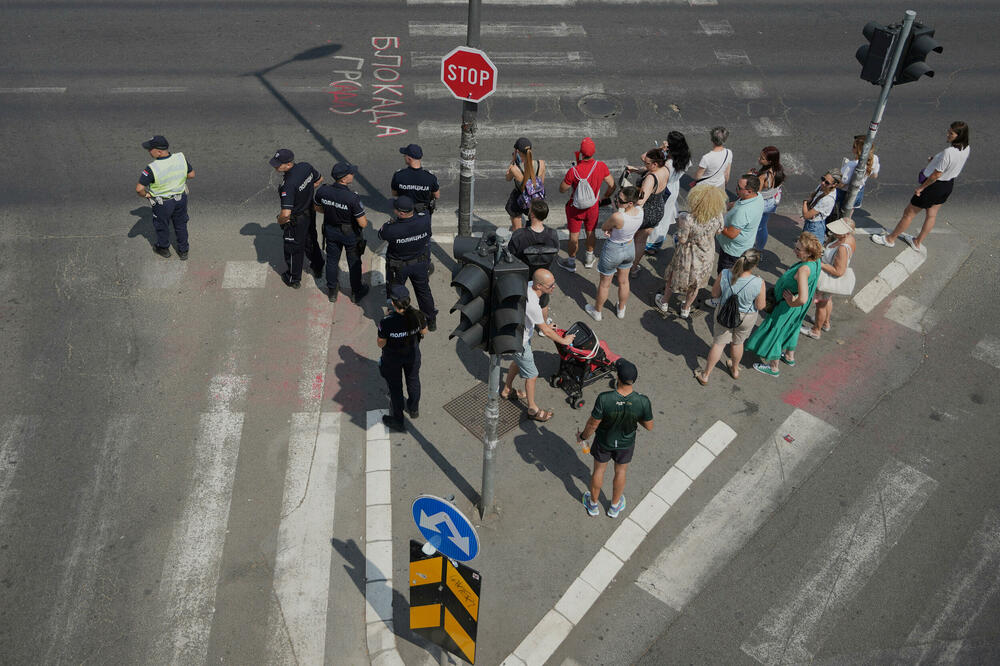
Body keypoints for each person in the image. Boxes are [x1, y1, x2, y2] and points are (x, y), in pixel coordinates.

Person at [872, 121, 971, 252]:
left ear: (959, 135)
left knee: (908, 214)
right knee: (932, 215)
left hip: (933, 186)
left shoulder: (949, 152)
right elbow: (950, 163)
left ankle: (890, 239)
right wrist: (935, 159)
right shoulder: (966, 148)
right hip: (947, 185)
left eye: (951, 133)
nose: (947, 134)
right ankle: (917, 242)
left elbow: (936, 175)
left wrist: (921, 188)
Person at [577, 359, 653, 518]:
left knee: (599, 470)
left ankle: (593, 505)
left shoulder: (605, 398)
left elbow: (592, 424)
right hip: (626, 444)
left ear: (618, 377)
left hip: (604, 441)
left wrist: (582, 437)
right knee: (620, 472)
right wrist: (633, 414)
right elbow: (649, 426)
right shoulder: (642, 401)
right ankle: (614, 507)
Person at [501, 269, 576, 422]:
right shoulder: (532, 304)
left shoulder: (529, 285)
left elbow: (541, 323)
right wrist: (564, 340)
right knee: (532, 374)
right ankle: (532, 408)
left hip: (515, 334)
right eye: (550, 286)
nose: (554, 287)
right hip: (519, 341)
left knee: (517, 362)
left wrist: (546, 323)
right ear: (539, 286)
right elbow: (546, 332)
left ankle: (507, 390)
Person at [745, 232, 824, 377]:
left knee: (776, 330)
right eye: (796, 247)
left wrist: (791, 301)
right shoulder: (816, 261)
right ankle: (789, 356)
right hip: (797, 310)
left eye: (799, 250)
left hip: (787, 307)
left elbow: (803, 298)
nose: (795, 250)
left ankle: (773, 367)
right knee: (793, 327)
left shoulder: (803, 270)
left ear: (808, 253)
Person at [694, 249, 766, 385]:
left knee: (719, 344)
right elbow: (761, 306)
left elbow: (715, 294)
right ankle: (734, 369)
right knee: (738, 343)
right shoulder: (759, 282)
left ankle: (705, 375)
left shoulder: (725, 273)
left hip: (724, 313)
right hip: (746, 317)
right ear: (754, 266)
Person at [655, 183, 727, 318]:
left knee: (673, 276)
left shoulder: (687, 218)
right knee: (696, 283)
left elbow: (682, 239)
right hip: (706, 254)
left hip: (687, 255)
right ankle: (686, 308)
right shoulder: (718, 215)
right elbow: (719, 231)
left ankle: (664, 301)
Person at [378, 195, 437, 330]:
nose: (393, 211)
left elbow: (380, 235)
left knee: (396, 295)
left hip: (399, 268)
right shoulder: (425, 219)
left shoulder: (391, 228)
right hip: (420, 264)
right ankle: (431, 321)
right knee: (424, 292)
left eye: (395, 209)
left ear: (402, 213)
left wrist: (391, 223)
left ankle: (397, 322)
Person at [557, 137, 616, 272]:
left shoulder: (574, 170)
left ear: (581, 153)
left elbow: (562, 189)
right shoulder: (601, 166)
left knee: (574, 235)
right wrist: (604, 197)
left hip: (575, 208)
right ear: (593, 152)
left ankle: (571, 262)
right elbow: (612, 185)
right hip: (593, 207)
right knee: (591, 232)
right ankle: (589, 258)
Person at [313, 161, 369, 303]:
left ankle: (332, 290)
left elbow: (318, 208)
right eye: (351, 173)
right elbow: (363, 223)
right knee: (354, 263)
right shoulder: (352, 198)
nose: (353, 175)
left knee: (331, 260)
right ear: (344, 179)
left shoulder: (323, 191)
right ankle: (357, 291)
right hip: (349, 234)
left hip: (331, 231)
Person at [586, 186, 643, 321]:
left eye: (621, 201)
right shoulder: (640, 211)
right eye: (618, 197)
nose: (617, 201)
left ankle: (597, 311)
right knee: (624, 281)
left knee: (605, 283)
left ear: (630, 203)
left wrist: (611, 229)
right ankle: (621, 309)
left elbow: (604, 227)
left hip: (613, 249)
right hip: (629, 247)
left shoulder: (618, 216)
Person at [270, 148, 324, 288]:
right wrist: (305, 192)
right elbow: (319, 180)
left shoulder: (288, 185)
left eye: (278, 164)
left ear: (288, 164)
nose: (275, 166)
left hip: (297, 218)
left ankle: (293, 278)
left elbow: (286, 214)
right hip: (310, 211)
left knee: (293, 248)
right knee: (311, 239)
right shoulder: (305, 167)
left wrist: (280, 220)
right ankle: (318, 266)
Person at [377, 284, 428, 432]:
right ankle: (413, 409)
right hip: (412, 355)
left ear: (393, 303)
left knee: (396, 388)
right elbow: (424, 330)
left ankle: (398, 420)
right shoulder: (418, 315)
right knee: (413, 380)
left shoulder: (387, 322)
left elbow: (381, 343)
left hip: (393, 359)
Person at [135, 135, 194, 259]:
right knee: (181, 224)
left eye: (150, 149)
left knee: (162, 225)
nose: (148, 151)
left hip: (163, 204)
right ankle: (184, 251)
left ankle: (163, 248)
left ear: (159, 151)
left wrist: (146, 195)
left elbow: (139, 189)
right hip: (180, 199)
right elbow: (191, 175)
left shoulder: (152, 168)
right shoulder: (180, 158)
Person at [710, 173, 764, 302]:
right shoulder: (758, 197)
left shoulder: (744, 212)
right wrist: (730, 206)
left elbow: (732, 234)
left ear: (749, 191)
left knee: (725, 275)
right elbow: (738, 204)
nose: (736, 189)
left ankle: (721, 298)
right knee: (734, 274)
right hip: (743, 246)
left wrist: (718, 224)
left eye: (739, 188)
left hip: (732, 250)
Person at [801, 217, 856, 339]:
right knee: (827, 301)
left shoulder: (842, 248)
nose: (834, 232)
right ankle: (825, 323)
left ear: (846, 233)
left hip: (828, 277)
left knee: (820, 305)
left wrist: (820, 264)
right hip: (830, 280)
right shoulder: (850, 238)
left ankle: (816, 330)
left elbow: (838, 271)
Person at [508, 199, 560, 319]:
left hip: (523, 277)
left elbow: (511, 255)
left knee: (521, 302)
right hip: (542, 278)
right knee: (543, 303)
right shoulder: (552, 234)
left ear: (531, 214)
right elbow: (555, 252)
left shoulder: (520, 235)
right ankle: (543, 325)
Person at [626, 149, 668, 277]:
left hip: (646, 212)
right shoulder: (664, 169)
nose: (645, 165)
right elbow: (647, 169)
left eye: (648, 163)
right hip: (658, 209)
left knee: (634, 240)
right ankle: (633, 269)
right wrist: (636, 169)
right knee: (642, 240)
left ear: (655, 164)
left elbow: (640, 201)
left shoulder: (650, 178)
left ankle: (626, 268)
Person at [647, 131, 691, 253]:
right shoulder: (685, 158)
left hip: (664, 189)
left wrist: (661, 150)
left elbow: (649, 160)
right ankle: (656, 243)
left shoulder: (668, 163)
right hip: (674, 188)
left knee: (657, 216)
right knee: (665, 217)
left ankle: (651, 244)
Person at [505, 137, 546, 230]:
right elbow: (541, 183)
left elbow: (507, 178)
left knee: (517, 228)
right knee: (535, 225)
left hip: (520, 199)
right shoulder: (541, 164)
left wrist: (513, 160)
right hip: (536, 199)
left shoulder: (515, 169)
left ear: (517, 152)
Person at [836, 135, 880, 215]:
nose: (852, 148)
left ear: (858, 150)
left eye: (854, 146)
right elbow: (874, 175)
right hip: (859, 191)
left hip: (845, 193)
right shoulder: (875, 158)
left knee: (838, 212)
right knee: (850, 211)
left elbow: (842, 184)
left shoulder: (851, 165)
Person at [391, 144, 440, 214]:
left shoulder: (398, 175)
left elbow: (394, 194)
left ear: (409, 158)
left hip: (405, 213)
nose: (404, 157)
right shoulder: (430, 177)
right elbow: (437, 195)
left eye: (404, 155)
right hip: (423, 214)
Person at [752, 146, 785, 250]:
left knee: (752, 227)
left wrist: (751, 176)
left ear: (770, 161)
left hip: (761, 204)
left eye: (762, 158)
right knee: (762, 227)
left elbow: (755, 193)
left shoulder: (763, 176)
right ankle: (759, 250)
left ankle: (749, 248)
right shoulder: (779, 170)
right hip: (771, 202)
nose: (759, 159)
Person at [801, 172, 840, 241]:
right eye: (823, 179)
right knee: (804, 244)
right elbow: (813, 195)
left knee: (812, 250)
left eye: (827, 182)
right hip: (810, 221)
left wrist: (805, 202)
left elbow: (806, 215)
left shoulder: (827, 199)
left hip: (815, 226)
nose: (823, 183)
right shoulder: (822, 186)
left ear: (834, 185)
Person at [692, 126, 733, 190]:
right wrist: (724, 185)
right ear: (724, 140)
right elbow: (727, 173)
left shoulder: (706, 158)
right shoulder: (729, 153)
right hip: (720, 185)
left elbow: (698, 177)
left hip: (705, 187)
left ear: (712, 139)